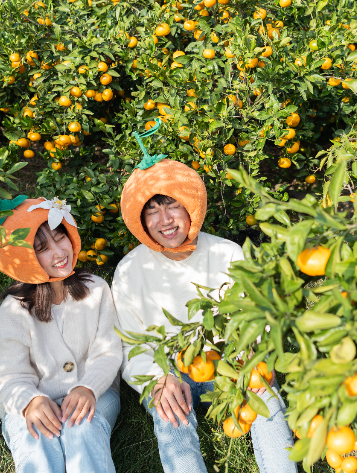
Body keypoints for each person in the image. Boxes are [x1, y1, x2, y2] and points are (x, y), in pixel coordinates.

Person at [112, 146, 297, 473]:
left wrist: (254, 357)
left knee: (267, 398)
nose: (165, 220)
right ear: (140, 219)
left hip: (228, 366)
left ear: (191, 206)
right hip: (171, 371)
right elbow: (130, 342)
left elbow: (256, 317)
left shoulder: (227, 254)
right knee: (170, 415)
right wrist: (157, 380)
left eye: (172, 205)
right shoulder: (130, 271)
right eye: (152, 210)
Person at [0, 194, 122, 473]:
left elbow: (108, 352)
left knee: (82, 429)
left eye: (60, 238)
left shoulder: (97, 290)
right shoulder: (14, 310)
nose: (59, 252)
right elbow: (8, 376)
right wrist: (30, 402)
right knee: (36, 438)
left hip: (95, 393)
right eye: (42, 248)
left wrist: (88, 387)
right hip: (33, 400)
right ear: (23, 258)